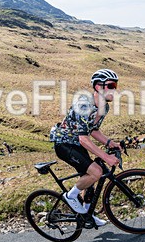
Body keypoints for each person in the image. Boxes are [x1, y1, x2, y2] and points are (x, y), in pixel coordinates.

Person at [50, 69, 121, 227]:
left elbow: (93, 130)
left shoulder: (104, 107)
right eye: (110, 85)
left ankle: (87, 215)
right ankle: (70, 196)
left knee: (91, 179)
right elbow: (83, 139)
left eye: (115, 85)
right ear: (98, 87)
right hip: (65, 143)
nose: (114, 89)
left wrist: (109, 143)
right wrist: (106, 157)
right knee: (96, 171)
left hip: (77, 142)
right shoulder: (84, 104)